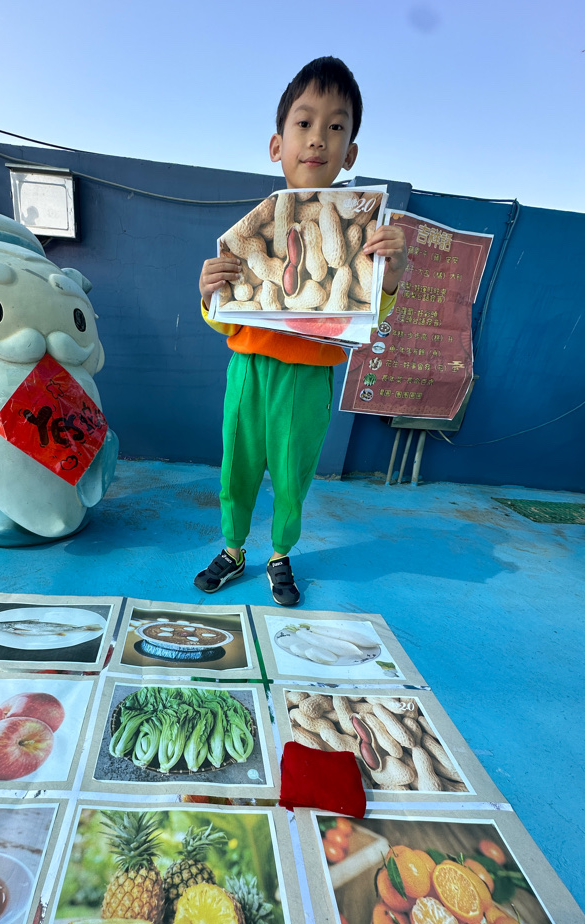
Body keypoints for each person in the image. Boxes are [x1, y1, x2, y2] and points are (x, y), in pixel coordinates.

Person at [194, 56, 407, 605]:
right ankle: (233, 548)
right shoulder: (252, 229)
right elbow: (223, 319)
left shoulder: (365, 231)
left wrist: (388, 277)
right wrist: (208, 292)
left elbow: (369, 316)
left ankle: (280, 554)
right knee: (237, 465)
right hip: (248, 367)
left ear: (349, 153)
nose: (317, 139)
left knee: (293, 473)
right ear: (277, 144)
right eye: (305, 123)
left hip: (309, 375)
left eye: (335, 127)